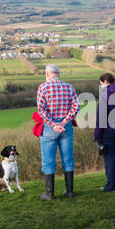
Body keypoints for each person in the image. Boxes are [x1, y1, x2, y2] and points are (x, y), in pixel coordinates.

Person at [37, 64, 80, 200]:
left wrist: (54, 124)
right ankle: (69, 192)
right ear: (58, 74)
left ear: (47, 74)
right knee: (68, 159)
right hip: (66, 127)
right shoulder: (69, 87)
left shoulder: (42, 88)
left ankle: (49, 193)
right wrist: (64, 122)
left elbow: (41, 110)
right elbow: (76, 106)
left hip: (50, 128)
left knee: (48, 161)